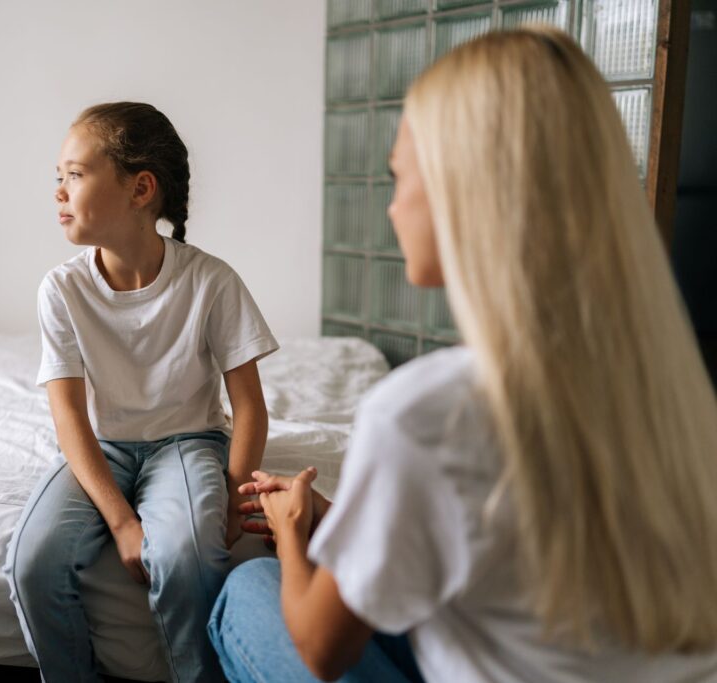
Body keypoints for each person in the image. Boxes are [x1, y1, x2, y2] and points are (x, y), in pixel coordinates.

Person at [208, 25, 717, 683]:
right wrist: (351, 523)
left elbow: (319, 646)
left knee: (250, 591)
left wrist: (290, 526)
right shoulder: (674, 388)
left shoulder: (430, 410)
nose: (391, 208)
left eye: (399, 176)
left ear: (462, 188)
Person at [1, 102, 278, 683]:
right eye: (59, 177)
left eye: (74, 175)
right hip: (102, 447)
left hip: (187, 443)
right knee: (32, 561)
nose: (59, 191)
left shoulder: (211, 280)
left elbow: (248, 405)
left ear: (141, 188)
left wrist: (231, 496)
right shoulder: (61, 289)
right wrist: (124, 523)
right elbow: (70, 417)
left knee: (187, 557)